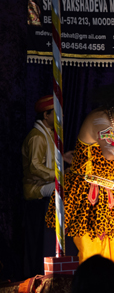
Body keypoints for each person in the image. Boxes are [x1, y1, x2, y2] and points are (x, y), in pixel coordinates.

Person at [46, 83, 114, 272]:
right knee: (91, 252)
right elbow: (110, 153)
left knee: (110, 254)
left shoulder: (113, 123)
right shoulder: (101, 120)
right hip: (87, 196)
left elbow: (108, 158)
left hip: (105, 197)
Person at [22, 95, 74, 277]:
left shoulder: (48, 134)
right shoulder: (37, 137)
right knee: (69, 188)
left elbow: (49, 161)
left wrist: (63, 158)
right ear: (46, 115)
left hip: (47, 183)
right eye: (56, 114)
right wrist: (60, 175)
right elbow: (35, 167)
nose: (61, 118)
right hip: (36, 188)